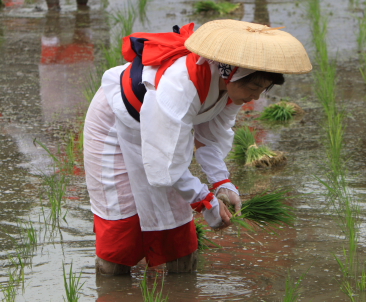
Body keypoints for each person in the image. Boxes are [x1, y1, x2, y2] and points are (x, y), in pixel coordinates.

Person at [84, 20, 312, 275]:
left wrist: (222, 184)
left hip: (161, 131)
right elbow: (166, 161)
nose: (256, 97)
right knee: (121, 222)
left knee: (177, 232)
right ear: (231, 74)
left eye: (263, 89)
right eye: (253, 87)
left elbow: (208, 139)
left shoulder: (233, 91)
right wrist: (204, 202)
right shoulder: (181, 84)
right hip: (116, 123)